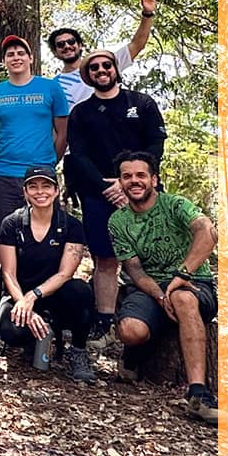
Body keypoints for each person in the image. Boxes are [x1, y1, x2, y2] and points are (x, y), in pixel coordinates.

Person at [107, 151, 220, 426]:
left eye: (140, 175)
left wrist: (181, 275)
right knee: (131, 331)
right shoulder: (118, 221)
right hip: (150, 287)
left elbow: (208, 232)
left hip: (192, 281)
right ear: (120, 183)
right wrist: (159, 296)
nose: (134, 181)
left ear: (154, 179)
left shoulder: (176, 205)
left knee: (182, 298)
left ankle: (198, 394)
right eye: (127, 176)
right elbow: (134, 269)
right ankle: (134, 356)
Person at [66, 49, 167, 344]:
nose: (101, 70)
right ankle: (105, 321)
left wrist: (129, 182)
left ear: (115, 69)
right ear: (89, 75)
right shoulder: (81, 113)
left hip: (142, 192)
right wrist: (104, 186)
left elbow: (156, 144)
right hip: (98, 195)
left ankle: (155, 313)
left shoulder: (142, 103)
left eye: (106, 65)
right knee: (105, 259)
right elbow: (79, 155)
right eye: (94, 68)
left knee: (149, 256)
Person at [0, 167, 96, 382]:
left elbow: (65, 273)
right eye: (33, 186)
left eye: (46, 186)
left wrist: (33, 296)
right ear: (25, 192)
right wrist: (23, 303)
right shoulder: (12, 224)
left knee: (81, 291)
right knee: (10, 331)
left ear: (56, 190)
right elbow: (8, 272)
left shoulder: (72, 226)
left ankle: (78, 350)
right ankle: (33, 340)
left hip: (55, 293)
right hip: (19, 294)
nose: (40, 192)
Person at [0, 35, 69, 242]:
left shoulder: (50, 88)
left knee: (45, 236)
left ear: (31, 58)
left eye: (21, 53)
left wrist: (50, 162)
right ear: (4, 61)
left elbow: (63, 132)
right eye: (10, 54)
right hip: (4, 172)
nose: (16, 58)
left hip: (41, 173)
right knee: (3, 237)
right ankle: (6, 275)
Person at [49, 0, 157, 110]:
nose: (67, 46)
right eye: (60, 44)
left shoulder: (104, 65)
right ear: (55, 52)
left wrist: (147, 13)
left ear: (80, 45)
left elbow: (137, 45)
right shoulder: (54, 86)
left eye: (71, 42)